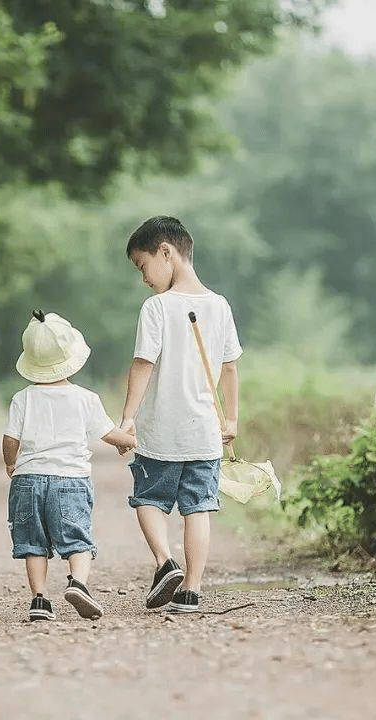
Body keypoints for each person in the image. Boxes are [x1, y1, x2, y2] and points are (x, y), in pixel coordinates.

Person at [119, 216, 243, 613]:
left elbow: (142, 364)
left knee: (148, 498)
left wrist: (127, 419)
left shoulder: (157, 307)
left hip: (161, 432)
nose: (143, 278)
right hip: (204, 432)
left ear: (166, 252)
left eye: (142, 266)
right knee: (199, 508)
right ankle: (191, 588)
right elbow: (229, 367)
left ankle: (164, 561)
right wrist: (232, 419)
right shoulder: (220, 306)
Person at [3, 310, 136, 622]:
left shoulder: (23, 398)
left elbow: (10, 438)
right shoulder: (85, 398)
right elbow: (107, 433)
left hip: (28, 480)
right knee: (77, 539)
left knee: (33, 543)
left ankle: (39, 599)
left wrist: (11, 463)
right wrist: (128, 441)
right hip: (70, 481)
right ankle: (78, 583)